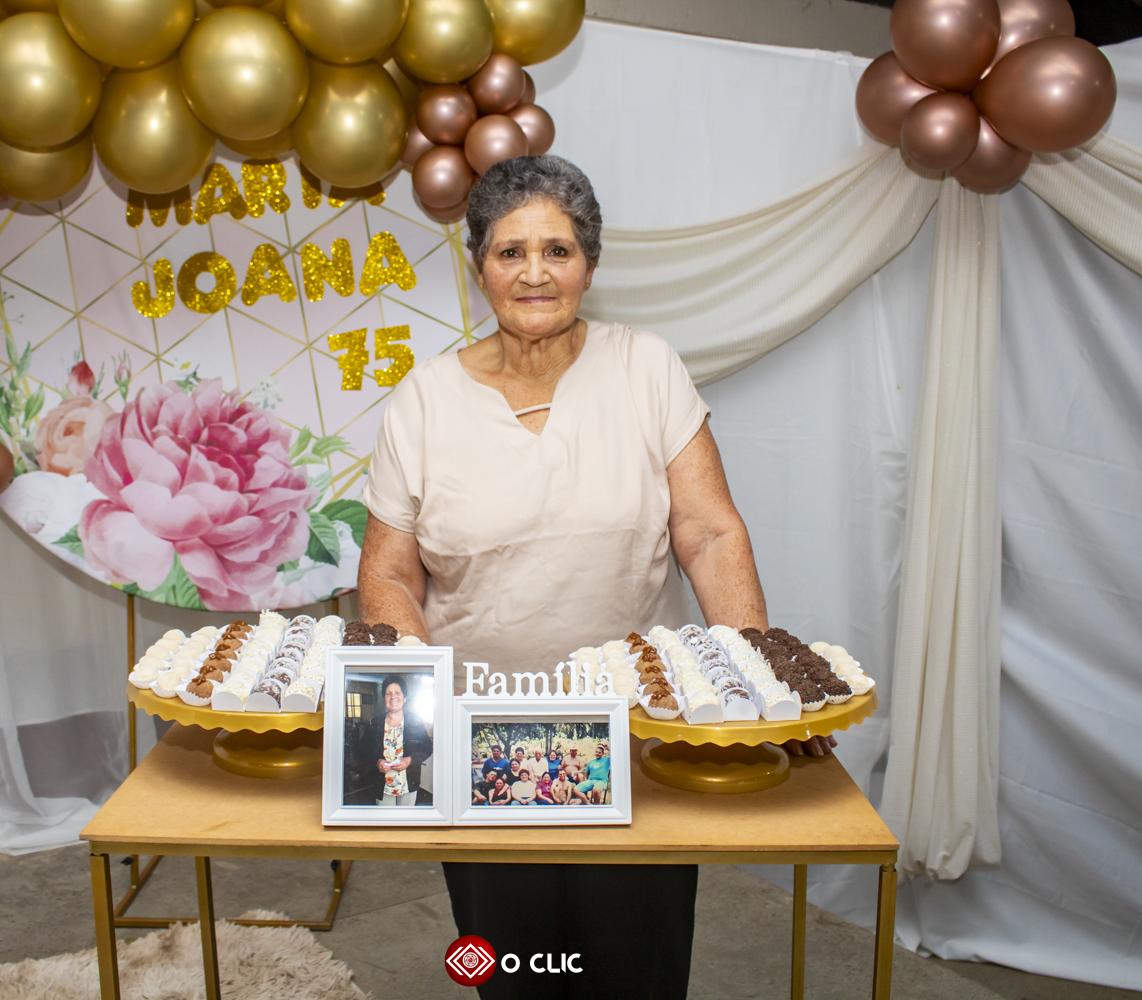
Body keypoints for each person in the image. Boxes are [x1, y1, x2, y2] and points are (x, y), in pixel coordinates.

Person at [359, 154, 832, 999]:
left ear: (590, 264)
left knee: (634, 971)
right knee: (516, 972)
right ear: (478, 267)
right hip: (481, 750)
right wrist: (413, 725)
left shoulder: (647, 368)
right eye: (509, 252)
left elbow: (709, 532)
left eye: (558, 250)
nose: (534, 273)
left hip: (639, 740)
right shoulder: (423, 399)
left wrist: (755, 681)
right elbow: (390, 572)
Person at [354, 675, 431, 807]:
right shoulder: (374, 724)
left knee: (405, 819)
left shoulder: (415, 721)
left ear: (404, 698)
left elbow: (427, 747)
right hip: (382, 787)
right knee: (385, 819)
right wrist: (377, 762)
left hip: (408, 785)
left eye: (397, 693)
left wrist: (409, 760)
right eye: (388, 694)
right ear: (384, 698)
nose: (392, 697)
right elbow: (362, 751)